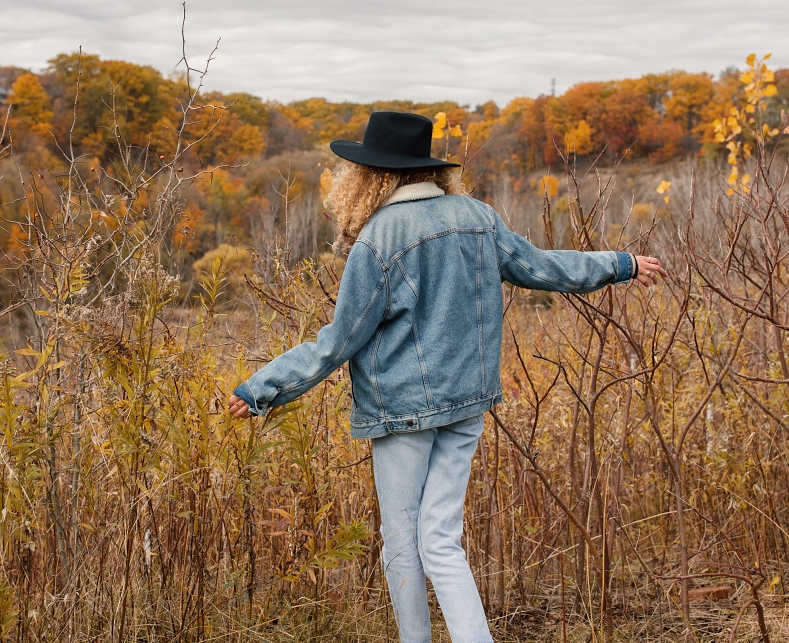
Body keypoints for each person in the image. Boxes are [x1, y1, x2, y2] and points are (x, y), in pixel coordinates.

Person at [227, 111, 664, 643]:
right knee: (441, 540)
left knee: (402, 543)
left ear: (372, 176)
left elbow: (338, 341)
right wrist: (621, 264)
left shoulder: (379, 239)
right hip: (466, 405)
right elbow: (545, 268)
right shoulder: (478, 216)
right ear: (427, 169)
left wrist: (261, 389)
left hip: (402, 412)